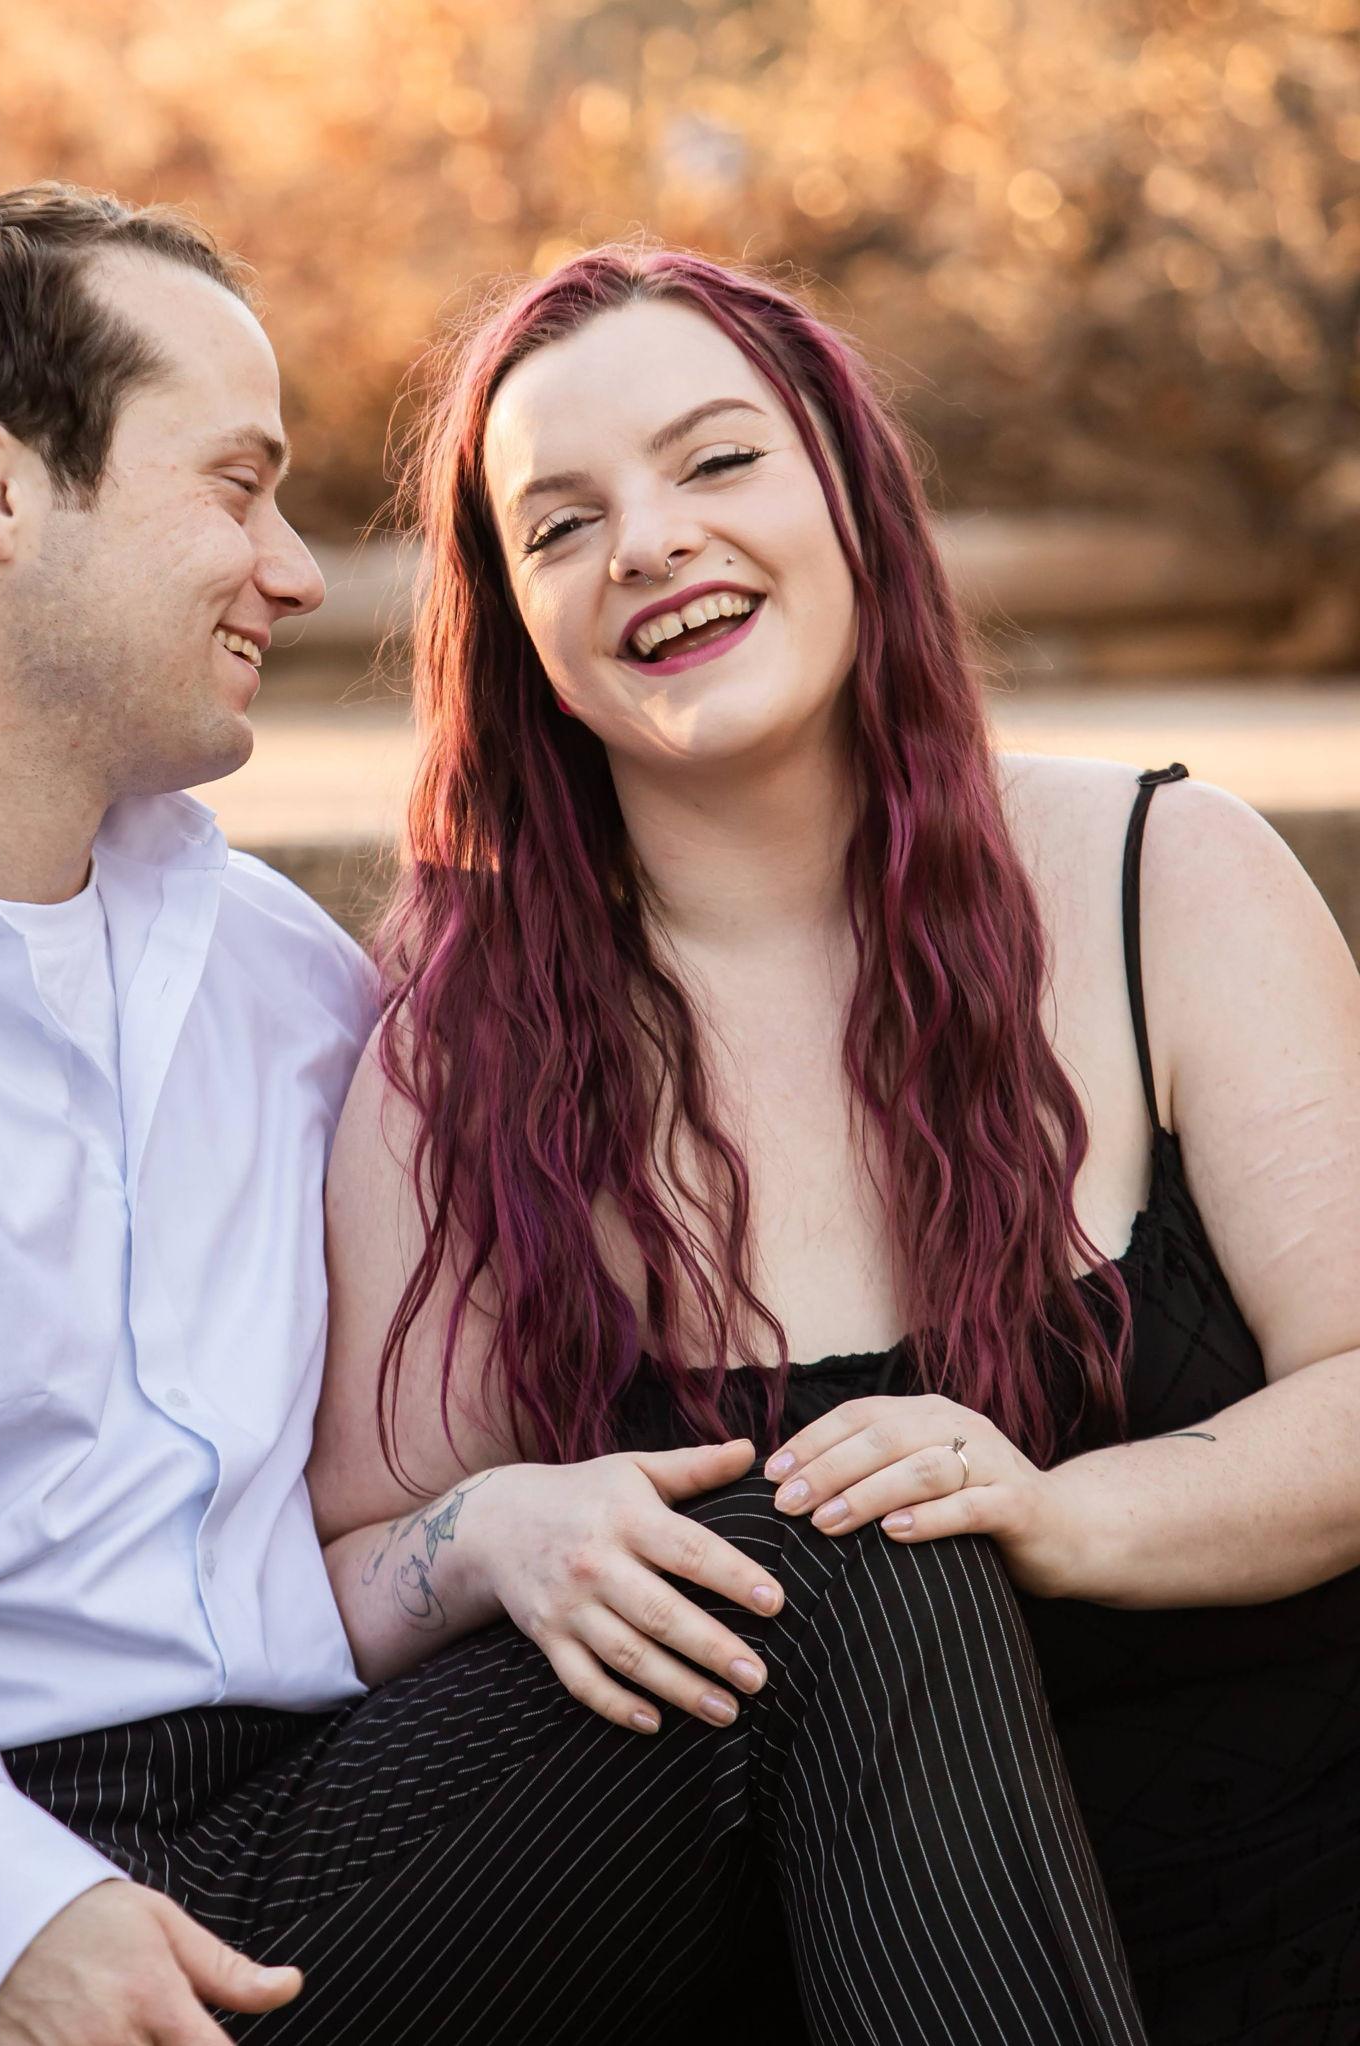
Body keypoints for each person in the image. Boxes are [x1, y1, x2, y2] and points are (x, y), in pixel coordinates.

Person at [0, 186, 1144, 2046]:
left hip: (248, 1822)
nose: (293, 569)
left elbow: (314, 1534)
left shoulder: (273, 976)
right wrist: (10, 1920)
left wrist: (491, 1527)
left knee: (829, 1577)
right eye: (235, 486)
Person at [306, 241, 1360, 2046]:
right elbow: (346, 1574)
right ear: (518, 634)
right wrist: (494, 1531)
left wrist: (1051, 1511)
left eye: (718, 463)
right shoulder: (458, 1056)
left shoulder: (1166, 880)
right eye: (559, 524)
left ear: (852, 503)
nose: (646, 539)